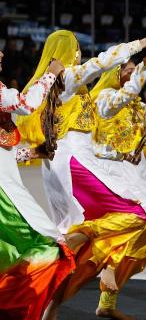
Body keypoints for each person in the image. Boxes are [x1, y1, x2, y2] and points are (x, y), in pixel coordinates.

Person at [16, 29, 146, 320]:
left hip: (61, 166)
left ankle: (48, 309)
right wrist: (145, 43)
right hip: (77, 164)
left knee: (72, 246)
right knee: (134, 215)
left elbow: (43, 142)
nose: (79, 54)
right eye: (76, 49)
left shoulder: (51, 86)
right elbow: (103, 62)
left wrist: (20, 155)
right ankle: (103, 260)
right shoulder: (68, 79)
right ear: (69, 52)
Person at [0, 53, 82, 319]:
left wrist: (32, 154)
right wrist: (51, 71)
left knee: (12, 254)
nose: (2, 54)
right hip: (5, 193)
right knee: (50, 246)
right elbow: (25, 104)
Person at [88, 58, 146, 318]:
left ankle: (107, 302)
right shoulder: (104, 99)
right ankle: (106, 265)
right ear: (114, 73)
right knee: (135, 222)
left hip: (137, 175)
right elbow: (122, 98)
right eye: (128, 69)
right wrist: (145, 67)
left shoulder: (140, 108)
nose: (133, 73)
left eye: (135, 69)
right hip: (110, 173)